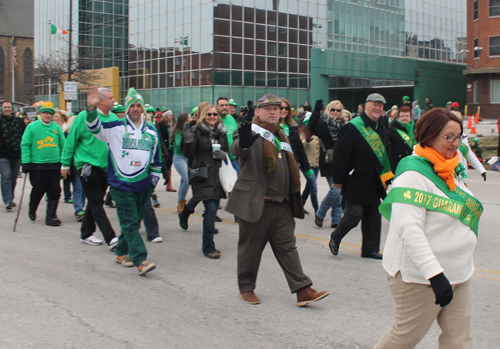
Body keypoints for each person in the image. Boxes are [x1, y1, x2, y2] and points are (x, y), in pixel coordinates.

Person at [374, 108, 482, 349]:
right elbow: (409, 230)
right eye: (449, 137)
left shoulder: (448, 168)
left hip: (459, 273)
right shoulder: (413, 174)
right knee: (403, 338)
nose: (456, 143)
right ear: (429, 136)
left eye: (459, 137)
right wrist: (435, 275)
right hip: (422, 278)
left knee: (460, 340)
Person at [226, 94, 329, 306]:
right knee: (250, 249)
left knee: (288, 247)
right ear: (258, 111)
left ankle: (302, 289)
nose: (273, 112)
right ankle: (246, 287)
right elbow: (237, 148)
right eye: (268, 108)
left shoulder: (281, 134)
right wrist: (244, 144)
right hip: (258, 201)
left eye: (276, 108)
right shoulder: (249, 131)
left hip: (281, 204)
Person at [86, 86, 161, 275]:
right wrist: (91, 109)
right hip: (120, 185)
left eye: (138, 105)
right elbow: (94, 128)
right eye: (132, 106)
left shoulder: (151, 131)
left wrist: (153, 180)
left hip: (143, 185)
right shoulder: (115, 127)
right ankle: (140, 259)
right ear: (127, 108)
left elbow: (156, 159)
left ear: (142, 108)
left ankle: (120, 252)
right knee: (129, 223)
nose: (135, 108)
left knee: (134, 223)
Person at [329, 93, 393, 259]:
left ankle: (370, 249)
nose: (378, 108)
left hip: (374, 180)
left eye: (380, 106)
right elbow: (340, 154)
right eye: (375, 105)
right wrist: (338, 180)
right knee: (354, 214)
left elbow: (386, 152)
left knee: (373, 215)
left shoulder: (382, 126)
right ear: (366, 106)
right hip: (355, 179)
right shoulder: (352, 126)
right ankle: (336, 237)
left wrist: (386, 177)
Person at [61, 87, 118, 248]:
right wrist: (65, 164)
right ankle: (111, 238)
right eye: (110, 98)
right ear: (100, 101)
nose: (114, 100)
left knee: (96, 201)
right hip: (88, 167)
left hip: (107, 168)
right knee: (96, 202)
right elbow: (71, 141)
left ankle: (86, 234)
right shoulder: (83, 117)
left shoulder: (113, 117)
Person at [183, 103, 229, 259]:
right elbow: (189, 154)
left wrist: (225, 155)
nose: (212, 117)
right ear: (203, 115)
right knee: (210, 210)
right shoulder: (196, 131)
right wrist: (188, 140)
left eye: (214, 114)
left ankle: (184, 213)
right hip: (202, 175)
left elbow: (227, 150)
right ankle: (208, 247)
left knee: (213, 209)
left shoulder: (221, 131)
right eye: (209, 114)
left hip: (218, 175)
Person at [21, 105, 65, 226]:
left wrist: (64, 161)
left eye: (50, 113)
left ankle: (51, 216)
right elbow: (25, 144)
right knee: (38, 190)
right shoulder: (32, 127)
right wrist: (26, 161)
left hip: (54, 164)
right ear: (41, 114)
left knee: (55, 191)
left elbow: (63, 145)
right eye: (45, 113)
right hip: (37, 165)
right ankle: (32, 208)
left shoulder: (56, 128)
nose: (48, 115)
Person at [308, 100, 344, 229]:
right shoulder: (323, 123)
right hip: (329, 161)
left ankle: (336, 220)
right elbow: (311, 126)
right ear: (329, 110)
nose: (335, 112)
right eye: (333, 109)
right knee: (335, 190)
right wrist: (316, 112)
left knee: (339, 193)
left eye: (338, 110)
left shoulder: (344, 124)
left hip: (342, 161)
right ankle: (321, 213)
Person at [279, 98, 313, 213]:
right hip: (278, 166)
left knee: (292, 192)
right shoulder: (271, 126)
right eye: (281, 108)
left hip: (292, 165)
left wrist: (306, 168)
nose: (284, 110)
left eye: (286, 108)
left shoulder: (293, 126)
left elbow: (299, 148)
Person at [0, 101, 25, 211]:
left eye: (9, 107)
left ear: (12, 108)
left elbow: (25, 137)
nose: (7, 109)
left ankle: (10, 197)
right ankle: (8, 200)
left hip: (16, 153)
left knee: (13, 178)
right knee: (6, 176)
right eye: (5, 107)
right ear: (2, 108)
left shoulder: (19, 121)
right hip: (2, 154)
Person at [299, 112, 320, 214]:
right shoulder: (302, 133)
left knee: (309, 187)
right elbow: (300, 147)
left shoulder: (319, 133)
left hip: (316, 165)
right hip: (306, 165)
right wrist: (306, 140)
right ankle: (318, 211)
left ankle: (300, 206)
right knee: (314, 188)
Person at [171, 112, 191, 212]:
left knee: (184, 180)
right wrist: (185, 134)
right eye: (189, 118)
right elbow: (179, 145)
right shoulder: (178, 131)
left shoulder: (191, 129)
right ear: (185, 120)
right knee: (187, 180)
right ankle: (181, 202)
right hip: (179, 158)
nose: (191, 119)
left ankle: (180, 202)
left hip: (188, 158)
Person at [388, 106, 415, 172]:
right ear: (398, 117)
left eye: (407, 116)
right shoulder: (392, 130)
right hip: (397, 164)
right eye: (402, 116)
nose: (405, 118)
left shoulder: (415, 129)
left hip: (412, 163)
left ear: (410, 117)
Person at [216, 96, 240, 174]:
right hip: (220, 160)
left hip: (233, 158)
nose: (224, 107)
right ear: (217, 107)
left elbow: (237, 136)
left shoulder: (231, 118)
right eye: (221, 105)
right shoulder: (215, 119)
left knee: (237, 183)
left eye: (226, 105)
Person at [159, 110, 176, 192]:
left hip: (171, 147)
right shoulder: (161, 125)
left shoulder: (172, 125)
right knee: (164, 166)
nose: (171, 116)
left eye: (171, 115)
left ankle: (169, 185)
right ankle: (167, 183)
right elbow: (160, 137)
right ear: (165, 116)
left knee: (169, 165)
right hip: (164, 147)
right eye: (169, 115)